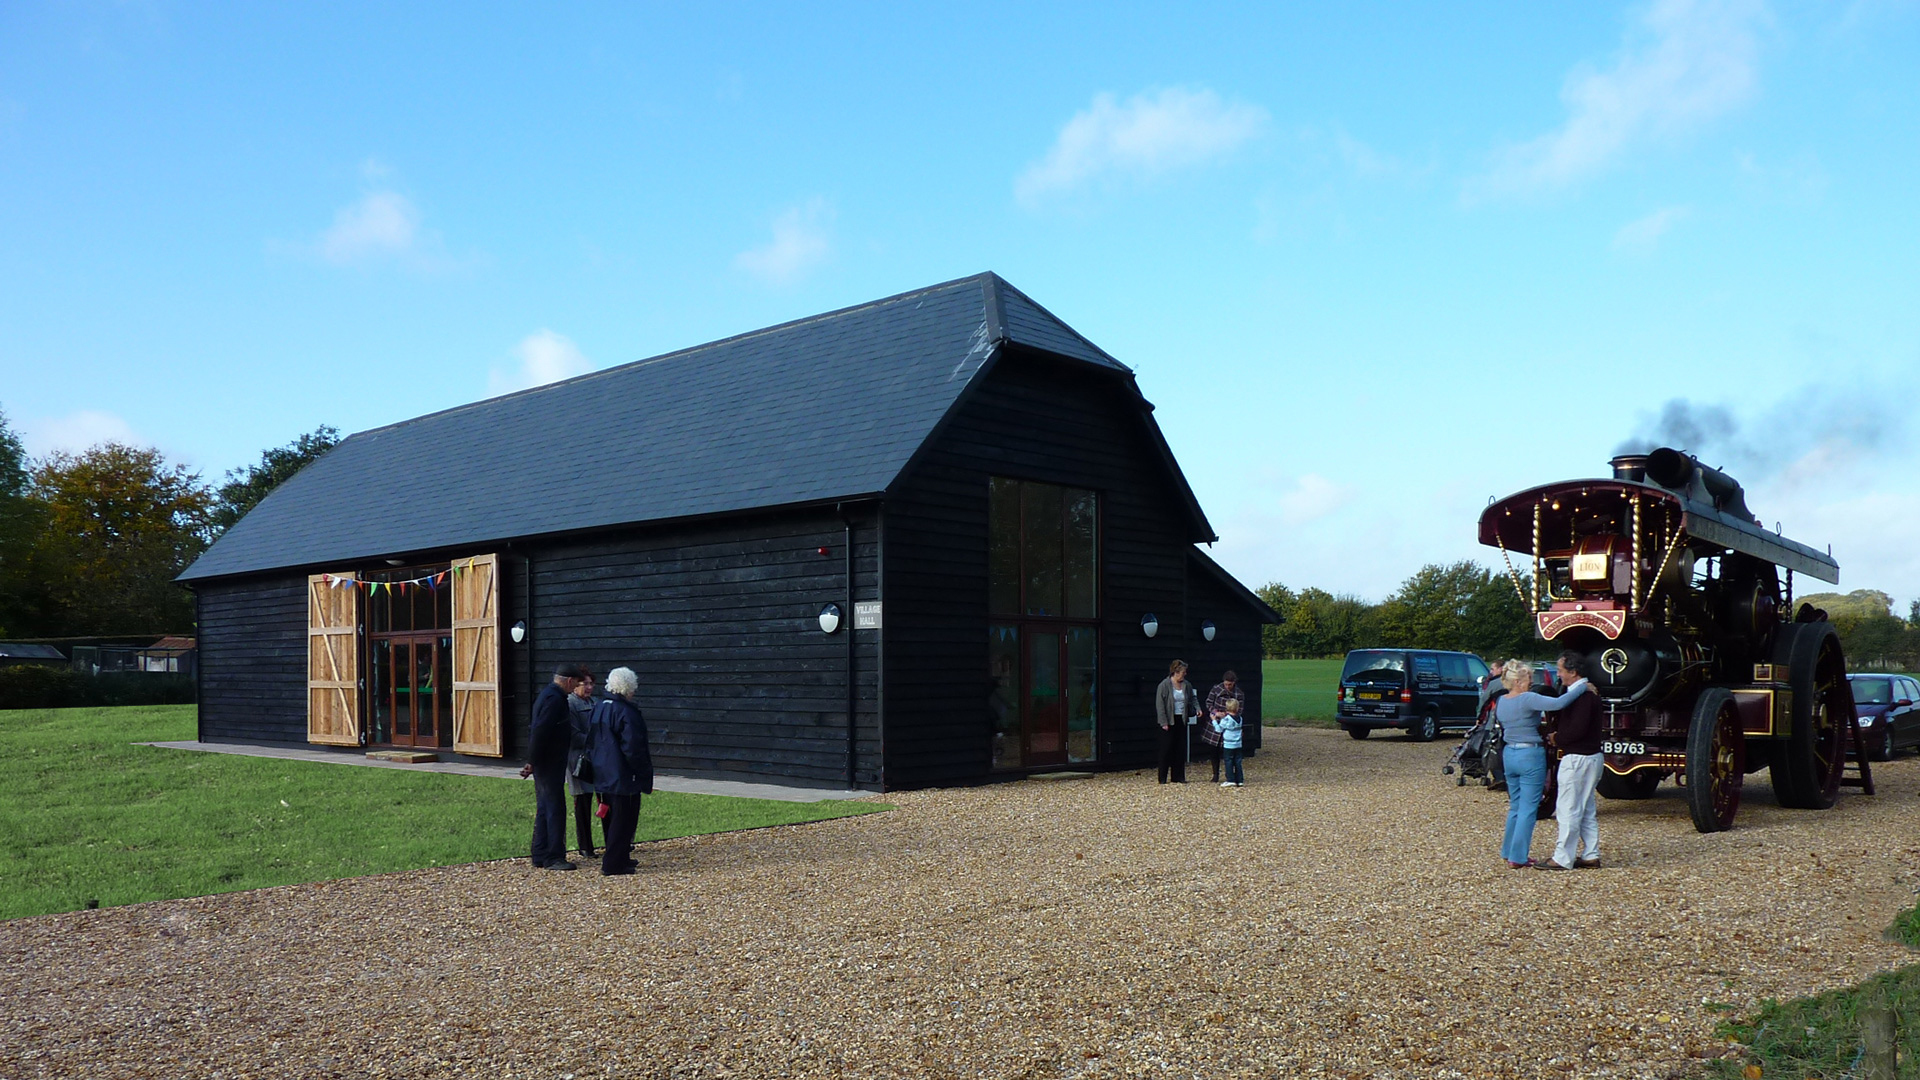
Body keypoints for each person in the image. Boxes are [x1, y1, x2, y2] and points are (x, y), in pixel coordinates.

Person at [1493, 659, 1591, 869]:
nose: (1531, 681)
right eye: (1528, 677)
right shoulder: (1528, 698)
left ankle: (1508, 850)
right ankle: (1518, 857)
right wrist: (1582, 687)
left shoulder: (1501, 701)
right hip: (1530, 754)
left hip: (1509, 753)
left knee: (1516, 806)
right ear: (1518, 681)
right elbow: (1559, 703)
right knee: (1529, 808)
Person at [519, 663, 590, 870]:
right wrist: (532, 760)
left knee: (544, 807)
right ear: (568, 681)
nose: (575, 688)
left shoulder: (547, 695)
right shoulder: (555, 699)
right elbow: (541, 730)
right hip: (549, 762)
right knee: (554, 808)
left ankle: (540, 853)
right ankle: (553, 856)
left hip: (545, 761)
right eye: (576, 683)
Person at [588, 666, 654, 876]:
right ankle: (614, 863)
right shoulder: (625, 712)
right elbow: (633, 746)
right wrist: (642, 771)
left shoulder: (599, 707)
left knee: (610, 816)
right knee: (624, 819)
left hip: (602, 771)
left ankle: (619, 856)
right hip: (622, 773)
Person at [1542, 651, 1603, 871]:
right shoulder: (1588, 693)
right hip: (1592, 756)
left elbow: (1576, 729)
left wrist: (1556, 737)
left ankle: (1563, 857)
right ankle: (1590, 853)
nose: (1558, 675)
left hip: (1577, 756)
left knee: (1568, 808)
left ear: (1573, 672)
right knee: (1586, 808)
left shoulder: (1583, 696)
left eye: (1560, 670)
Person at [565, 670, 600, 860]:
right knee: (583, 803)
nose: (588, 688)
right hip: (578, 759)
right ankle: (585, 845)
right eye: (584, 684)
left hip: (596, 758)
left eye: (591, 684)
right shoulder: (570, 704)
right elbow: (573, 734)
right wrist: (594, 740)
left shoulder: (594, 703)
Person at [1155, 660, 1198, 784]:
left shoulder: (1187, 685)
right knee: (1166, 749)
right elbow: (1160, 705)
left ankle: (1178, 776)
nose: (1185, 674)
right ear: (1176, 672)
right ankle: (1162, 777)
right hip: (1169, 719)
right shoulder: (1164, 685)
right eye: (1183, 672)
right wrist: (1163, 722)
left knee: (1180, 748)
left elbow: (1192, 698)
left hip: (1182, 718)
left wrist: (1198, 709)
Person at [1201, 671, 1245, 783]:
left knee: (1230, 754)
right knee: (1213, 751)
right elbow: (1208, 702)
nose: (1227, 686)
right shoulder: (1216, 689)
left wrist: (1226, 714)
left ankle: (1232, 777)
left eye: (1230, 684)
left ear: (1234, 683)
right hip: (1215, 722)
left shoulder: (1239, 694)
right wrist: (1215, 712)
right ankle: (1215, 774)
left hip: (1230, 724)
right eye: (1226, 684)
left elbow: (1239, 710)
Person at [1213, 699, 1245, 787]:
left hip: (1228, 744)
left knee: (1229, 761)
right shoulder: (1240, 718)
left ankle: (1230, 779)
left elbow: (1219, 729)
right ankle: (1240, 779)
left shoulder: (1226, 719)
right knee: (1238, 761)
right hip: (1238, 744)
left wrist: (1214, 721)